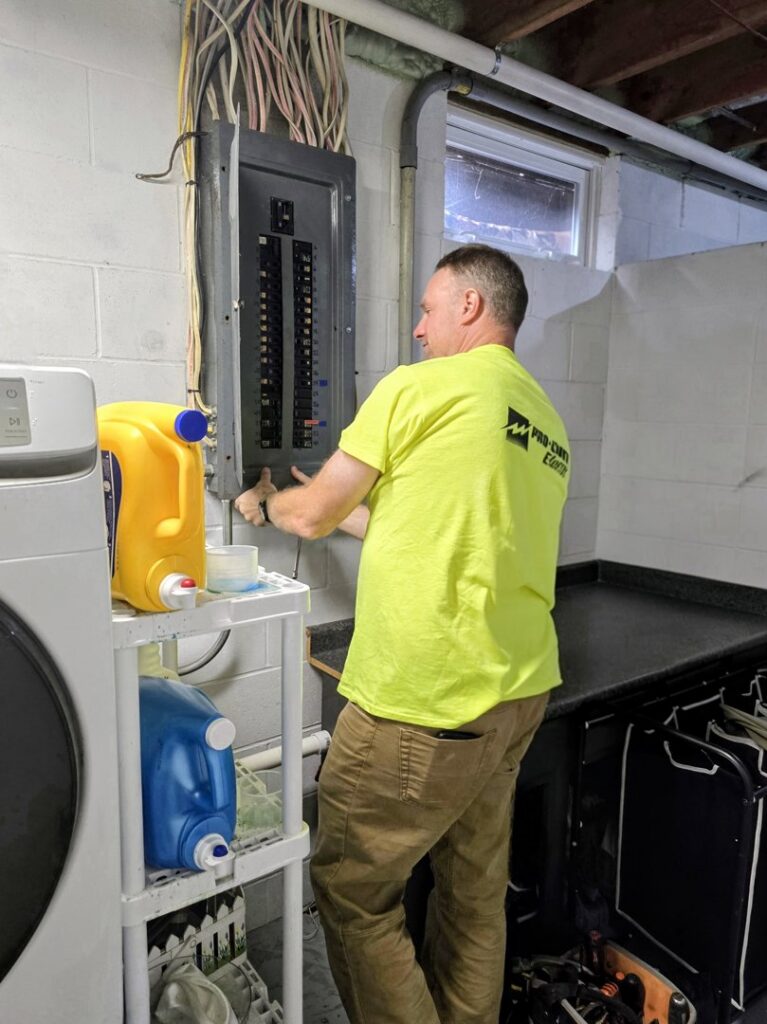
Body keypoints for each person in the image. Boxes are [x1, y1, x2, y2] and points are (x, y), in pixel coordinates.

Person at [235, 243, 570, 1024]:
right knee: (473, 894)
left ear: (469, 307)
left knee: (352, 894)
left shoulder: (421, 386)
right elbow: (412, 524)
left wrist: (270, 504)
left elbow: (314, 514)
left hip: (424, 702)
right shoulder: (538, 419)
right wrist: (314, 498)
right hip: (514, 693)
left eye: (427, 308)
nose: (417, 330)